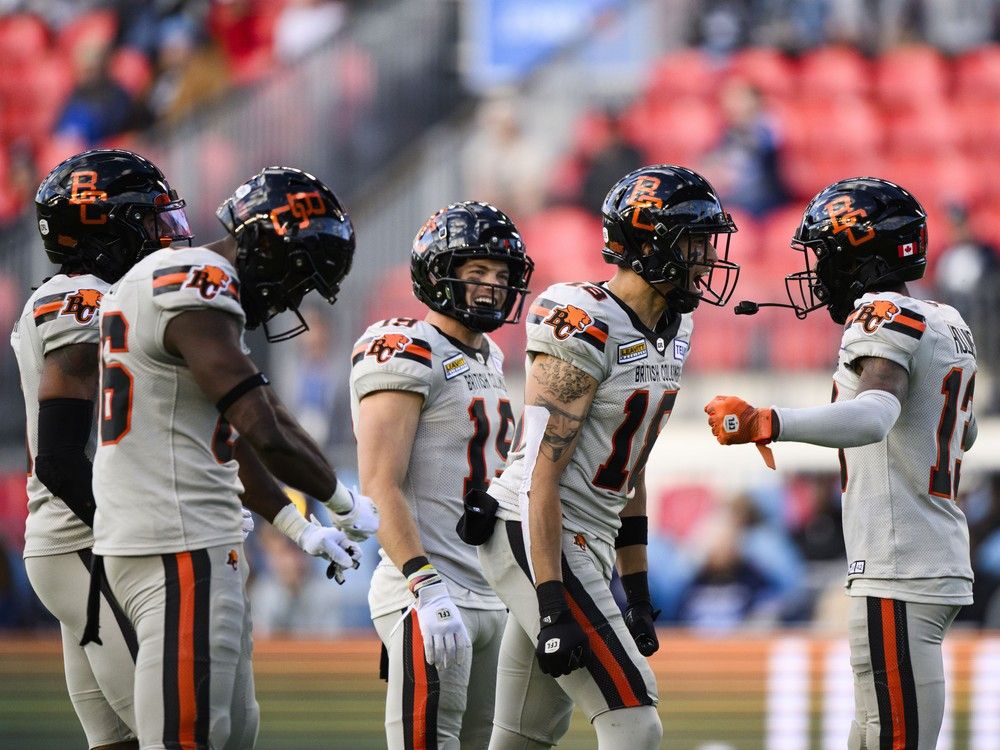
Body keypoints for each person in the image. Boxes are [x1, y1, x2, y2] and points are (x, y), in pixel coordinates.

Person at [90, 165, 379, 749]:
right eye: (299, 273)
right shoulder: (200, 282)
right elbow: (264, 431)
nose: (293, 295)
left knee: (231, 734)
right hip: (178, 547)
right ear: (268, 244)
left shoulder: (167, 281)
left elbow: (227, 436)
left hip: (170, 541)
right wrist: (343, 500)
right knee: (190, 738)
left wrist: (300, 527)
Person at [705, 177, 977, 750]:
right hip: (934, 564)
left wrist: (768, 421)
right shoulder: (946, 319)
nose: (817, 269)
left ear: (862, 254)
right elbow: (964, 431)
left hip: (897, 574)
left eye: (825, 254)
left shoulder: (884, 313)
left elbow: (874, 414)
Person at [479, 164, 740, 749]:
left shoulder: (674, 326)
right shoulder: (584, 322)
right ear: (650, 245)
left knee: (523, 734)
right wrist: (551, 602)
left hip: (584, 536)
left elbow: (632, 462)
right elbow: (541, 477)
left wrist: (638, 590)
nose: (706, 259)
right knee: (633, 719)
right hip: (535, 528)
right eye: (693, 243)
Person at [11, 148, 195, 750]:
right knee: (174, 732)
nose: (161, 235)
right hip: (84, 543)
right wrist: (132, 533)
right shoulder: (81, 298)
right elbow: (63, 458)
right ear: (102, 229)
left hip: (76, 543)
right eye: (146, 221)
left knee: (114, 742)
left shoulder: (96, 293)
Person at [350, 201, 533, 749]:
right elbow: (379, 483)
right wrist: (423, 585)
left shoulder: (491, 357)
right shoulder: (406, 346)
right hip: (429, 587)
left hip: (488, 591)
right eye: (476, 272)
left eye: (501, 276)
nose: (491, 287)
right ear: (436, 273)